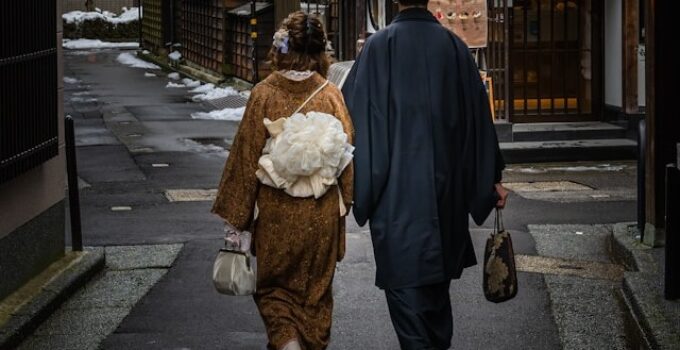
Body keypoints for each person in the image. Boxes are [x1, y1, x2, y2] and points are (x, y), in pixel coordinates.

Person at [342, 1, 509, 349]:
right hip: (445, 204)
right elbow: (477, 124)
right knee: (435, 308)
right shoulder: (454, 49)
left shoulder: (378, 48)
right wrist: (488, 181)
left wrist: (357, 188)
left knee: (412, 318)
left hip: (395, 204)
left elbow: (354, 125)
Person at [211, 11, 354, 350]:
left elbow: (245, 159)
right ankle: (310, 342)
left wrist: (238, 221)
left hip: (276, 212)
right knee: (316, 295)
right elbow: (345, 156)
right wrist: (345, 203)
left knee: (275, 291)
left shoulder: (264, 93)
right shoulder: (331, 94)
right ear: (321, 51)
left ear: (281, 49)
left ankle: (287, 342)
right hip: (319, 215)